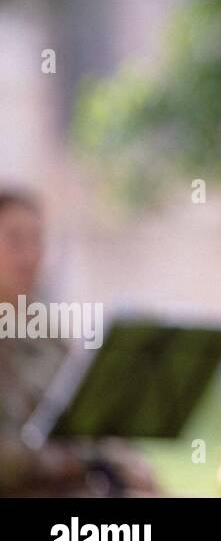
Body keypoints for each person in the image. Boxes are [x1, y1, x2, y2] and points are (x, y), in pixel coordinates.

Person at [0, 189, 157, 496]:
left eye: (37, 240)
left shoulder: (43, 329)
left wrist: (124, 460)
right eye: (14, 241)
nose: (30, 255)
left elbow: (86, 411)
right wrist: (88, 461)